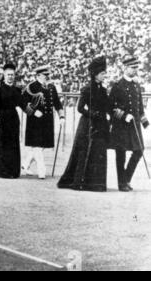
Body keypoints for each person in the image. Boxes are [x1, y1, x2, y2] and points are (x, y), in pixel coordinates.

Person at [58, 56, 110, 192]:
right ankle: (79, 181)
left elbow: (107, 106)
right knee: (83, 152)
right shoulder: (87, 89)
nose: (105, 76)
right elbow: (80, 108)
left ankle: (96, 183)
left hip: (100, 125)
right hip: (87, 125)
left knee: (98, 152)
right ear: (96, 74)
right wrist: (93, 114)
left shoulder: (103, 90)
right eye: (103, 73)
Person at [109, 56, 149, 192]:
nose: (135, 70)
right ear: (125, 68)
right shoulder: (117, 85)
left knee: (139, 151)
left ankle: (125, 179)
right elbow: (110, 107)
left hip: (135, 126)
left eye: (136, 68)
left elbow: (140, 108)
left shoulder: (137, 86)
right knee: (121, 154)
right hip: (121, 126)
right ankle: (122, 184)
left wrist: (145, 123)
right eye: (132, 68)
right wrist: (124, 115)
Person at [22, 65, 65, 179]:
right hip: (35, 121)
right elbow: (22, 103)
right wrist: (33, 112)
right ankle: (42, 170)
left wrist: (62, 116)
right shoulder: (31, 87)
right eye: (45, 75)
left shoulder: (51, 87)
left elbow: (57, 103)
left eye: (48, 75)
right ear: (38, 75)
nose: (47, 77)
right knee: (37, 146)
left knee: (42, 146)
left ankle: (25, 164)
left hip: (47, 121)